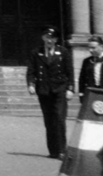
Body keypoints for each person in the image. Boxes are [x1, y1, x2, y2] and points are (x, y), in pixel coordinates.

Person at [27, 26, 72, 159]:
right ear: (43, 38)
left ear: (56, 40)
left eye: (52, 38)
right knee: (49, 120)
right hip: (44, 91)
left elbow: (69, 71)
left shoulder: (63, 52)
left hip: (60, 89)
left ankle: (62, 150)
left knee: (59, 118)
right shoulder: (36, 52)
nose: (49, 40)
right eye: (47, 37)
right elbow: (31, 70)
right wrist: (31, 84)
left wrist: (70, 89)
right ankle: (53, 151)